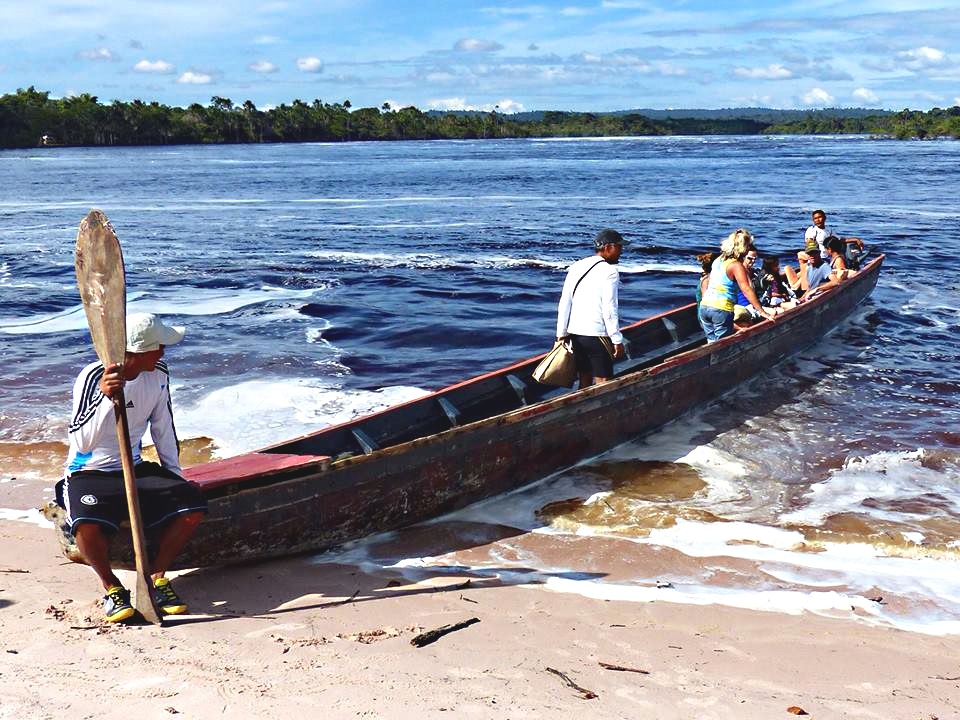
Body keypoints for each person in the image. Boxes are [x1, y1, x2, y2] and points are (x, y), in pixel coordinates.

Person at [57, 313, 207, 622]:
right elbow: (82, 442)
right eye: (158, 347)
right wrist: (106, 396)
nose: (163, 353)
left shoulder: (158, 373)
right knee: (85, 524)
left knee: (192, 506)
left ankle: (156, 578)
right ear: (139, 352)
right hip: (88, 470)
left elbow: (164, 429)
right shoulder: (93, 376)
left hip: (134, 467)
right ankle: (112, 588)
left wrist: (176, 480)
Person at [556, 228, 628, 388]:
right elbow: (609, 309)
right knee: (603, 382)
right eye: (619, 247)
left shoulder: (576, 266)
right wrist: (617, 339)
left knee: (585, 378)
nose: (621, 252)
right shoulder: (610, 272)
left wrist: (561, 334)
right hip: (598, 335)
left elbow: (565, 302)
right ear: (608, 247)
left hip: (575, 334)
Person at [698, 228, 775, 342]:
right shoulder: (736, 265)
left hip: (705, 307)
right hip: (721, 309)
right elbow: (746, 289)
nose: (749, 248)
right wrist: (762, 312)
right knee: (723, 345)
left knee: (712, 342)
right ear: (743, 247)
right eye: (748, 246)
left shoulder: (718, 260)